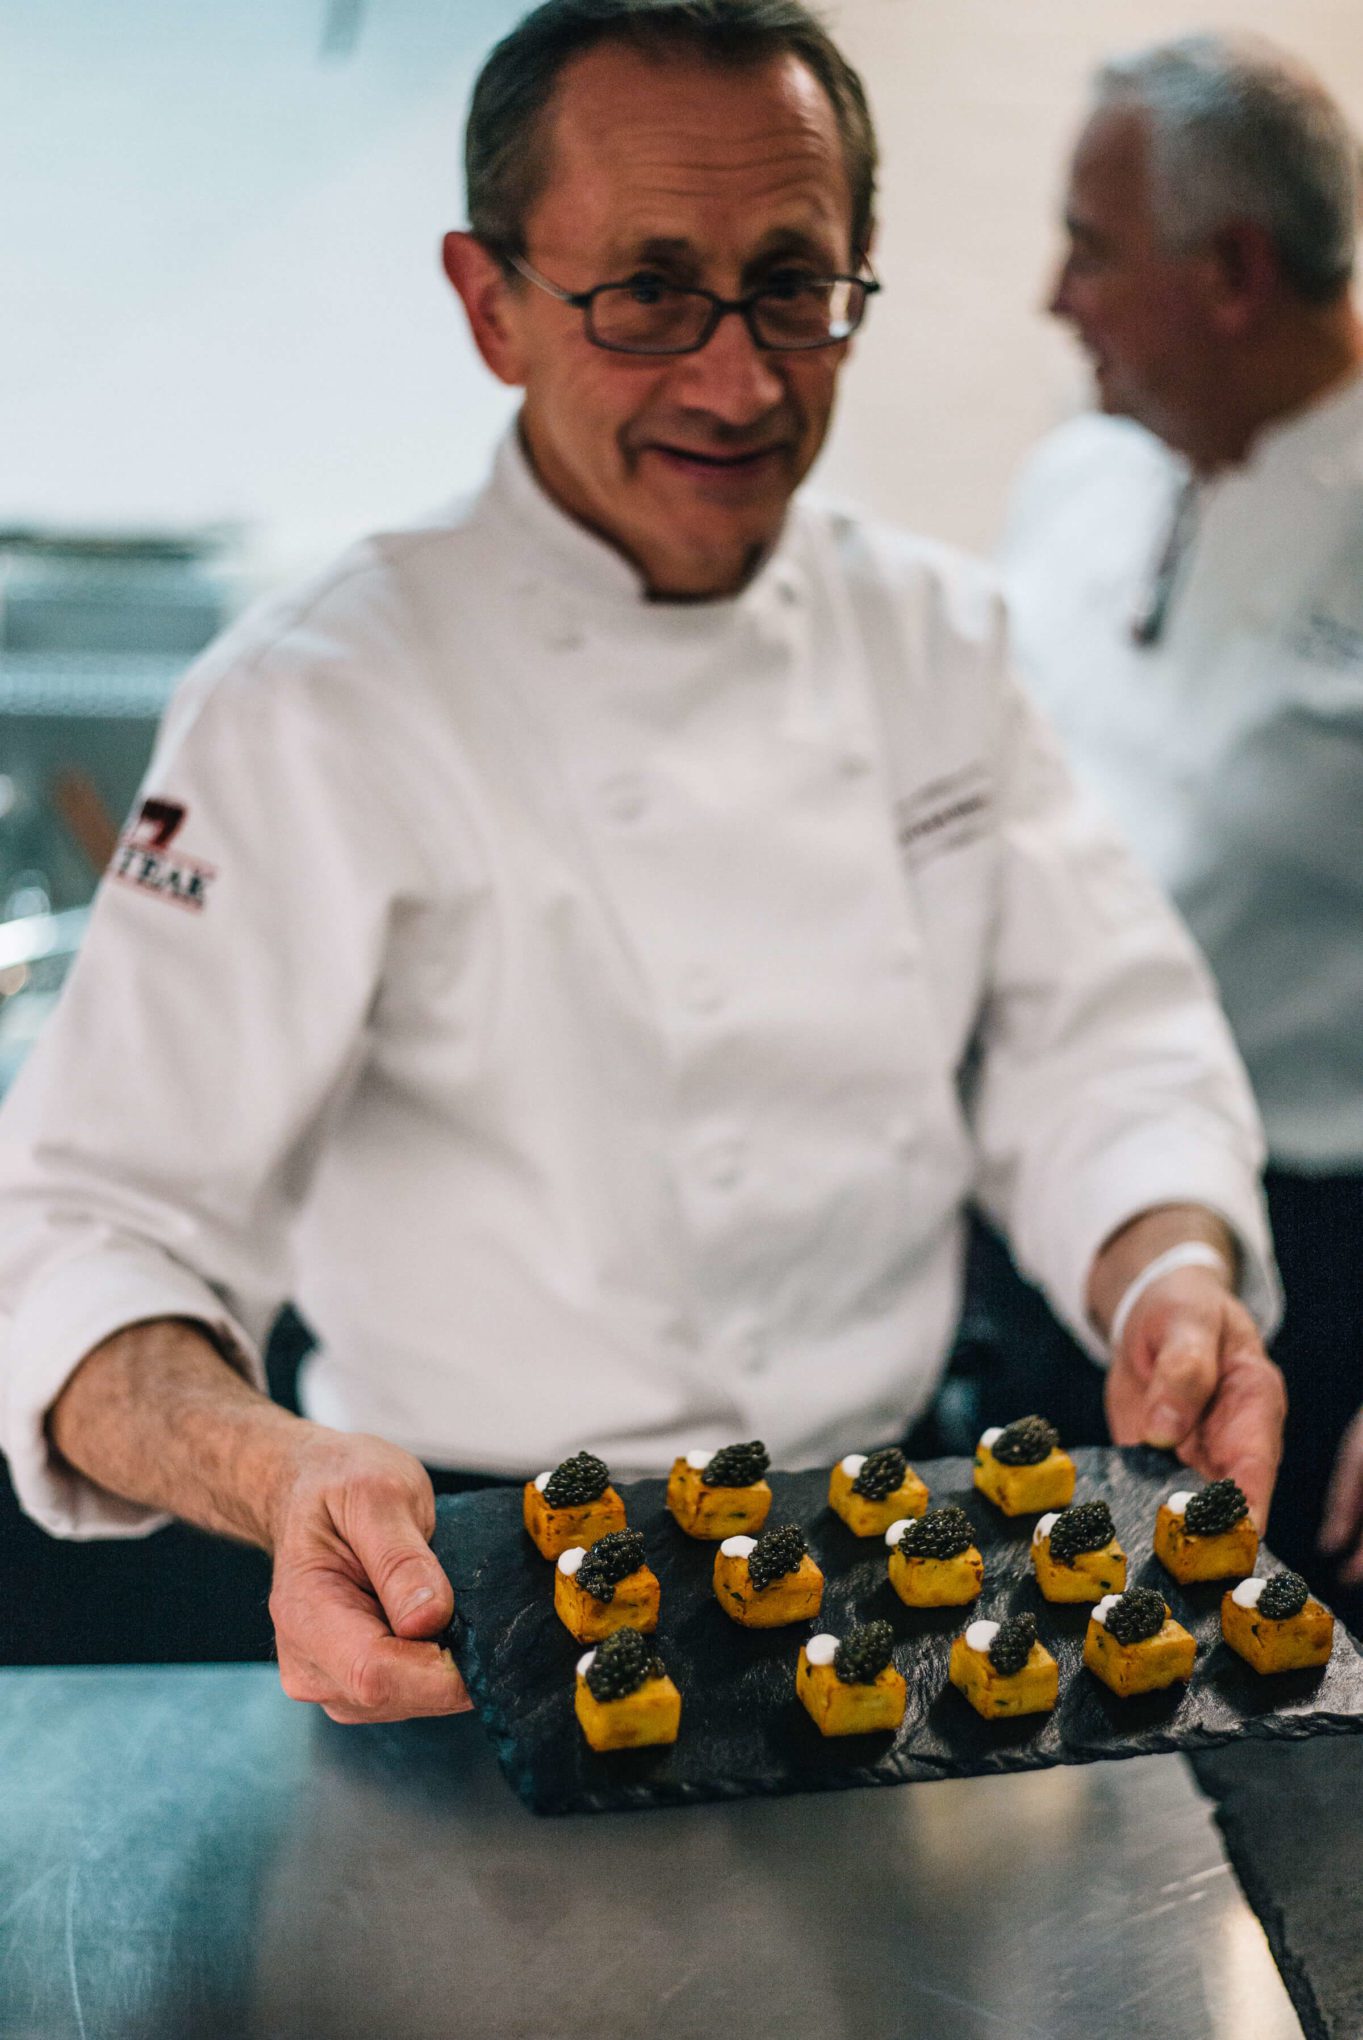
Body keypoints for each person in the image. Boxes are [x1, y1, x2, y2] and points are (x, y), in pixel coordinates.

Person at [0, 0, 1285, 1724]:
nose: (739, 377)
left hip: (888, 1562)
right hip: (466, 1592)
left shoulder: (934, 638)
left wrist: (1168, 1274)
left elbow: (1099, 1046)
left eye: (792, 286)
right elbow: (90, 1224)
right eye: (649, 294)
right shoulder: (314, 701)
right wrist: (277, 1473)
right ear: (490, 305)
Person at [1000, 31, 1363, 1616]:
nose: (1053, 298)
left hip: (1325, 1254)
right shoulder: (1079, 483)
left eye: (1090, 249)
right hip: (1074, 1211)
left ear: (1230, 271)